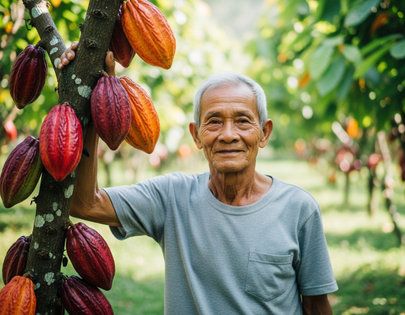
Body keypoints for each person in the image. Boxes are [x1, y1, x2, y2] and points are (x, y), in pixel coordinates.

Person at [61, 45, 338, 314]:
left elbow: (316, 306)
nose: (228, 134)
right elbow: (84, 203)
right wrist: (94, 98)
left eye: (243, 121)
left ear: (264, 133)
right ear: (196, 135)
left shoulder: (298, 208)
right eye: (214, 122)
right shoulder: (171, 198)